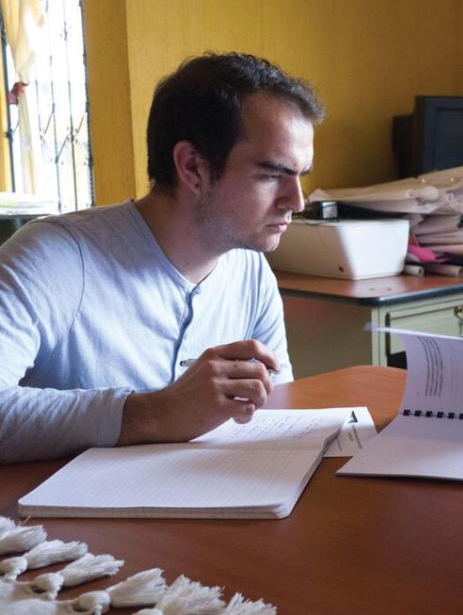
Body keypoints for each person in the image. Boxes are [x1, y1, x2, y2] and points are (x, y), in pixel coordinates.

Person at [0, 52, 323, 463]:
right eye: (272, 174)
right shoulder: (54, 258)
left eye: (301, 175)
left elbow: (272, 409)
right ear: (193, 167)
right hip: (54, 525)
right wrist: (155, 413)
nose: (296, 201)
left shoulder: (250, 267)